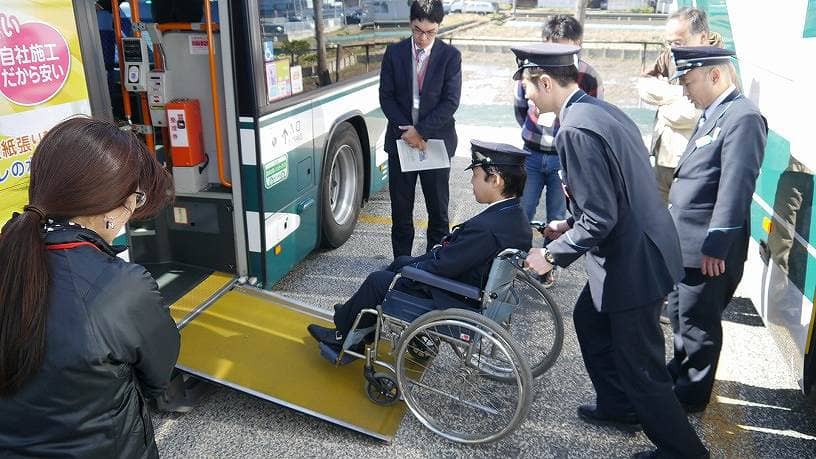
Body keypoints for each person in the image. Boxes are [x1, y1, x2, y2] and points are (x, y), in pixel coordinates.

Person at [518, 43, 708, 458]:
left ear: (546, 82)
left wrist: (550, 254)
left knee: (642, 366)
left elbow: (601, 217)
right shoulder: (598, 110)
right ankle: (619, 405)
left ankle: (684, 451)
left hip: (632, 263)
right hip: (639, 249)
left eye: (528, 87)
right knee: (589, 319)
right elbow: (612, 196)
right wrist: (569, 223)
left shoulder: (574, 130)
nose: (527, 96)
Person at [0, 118, 180, 457]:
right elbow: (157, 379)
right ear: (112, 209)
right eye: (136, 200)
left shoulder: (11, 253)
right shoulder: (123, 288)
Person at [307, 140, 531, 353]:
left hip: (456, 295)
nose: (471, 182)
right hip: (474, 286)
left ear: (496, 180)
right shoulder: (515, 218)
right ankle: (357, 317)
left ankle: (341, 335)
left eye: (475, 176)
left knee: (379, 281)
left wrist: (412, 271)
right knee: (400, 262)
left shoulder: (486, 228)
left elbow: (444, 266)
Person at [666, 46, 767, 413]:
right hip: (687, 242)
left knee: (698, 325)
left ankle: (691, 398)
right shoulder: (715, 112)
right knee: (680, 315)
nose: (685, 90)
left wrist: (717, 243)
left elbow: (736, 185)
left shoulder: (743, 117)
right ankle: (679, 373)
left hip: (707, 247)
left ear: (715, 75)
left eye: (689, 81)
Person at [514, 14, 603, 288]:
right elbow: (520, 108)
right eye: (553, 45)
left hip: (562, 157)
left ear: (577, 44)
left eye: (565, 46)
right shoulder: (530, 70)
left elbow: (593, 115)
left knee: (557, 216)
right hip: (530, 153)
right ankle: (514, 266)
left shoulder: (588, 75)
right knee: (520, 211)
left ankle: (545, 266)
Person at [379, 0, 462, 259]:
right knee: (401, 212)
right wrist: (407, 131)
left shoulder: (451, 56)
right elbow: (386, 96)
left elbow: (451, 102)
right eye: (417, 30)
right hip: (401, 142)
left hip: (435, 143)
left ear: (438, 27)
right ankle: (400, 265)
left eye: (430, 32)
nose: (423, 38)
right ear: (410, 23)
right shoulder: (394, 53)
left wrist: (421, 131)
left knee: (438, 212)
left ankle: (433, 266)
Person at [639, 7, 722, 204]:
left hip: (691, 162)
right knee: (657, 222)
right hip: (660, 155)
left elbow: (687, 114)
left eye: (678, 43)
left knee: (682, 225)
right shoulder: (669, 56)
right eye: (669, 43)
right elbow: (643, 86)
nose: (673, 49)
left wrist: (664, 100)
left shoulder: (718, 65)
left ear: (702, 37)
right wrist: (679, 94)